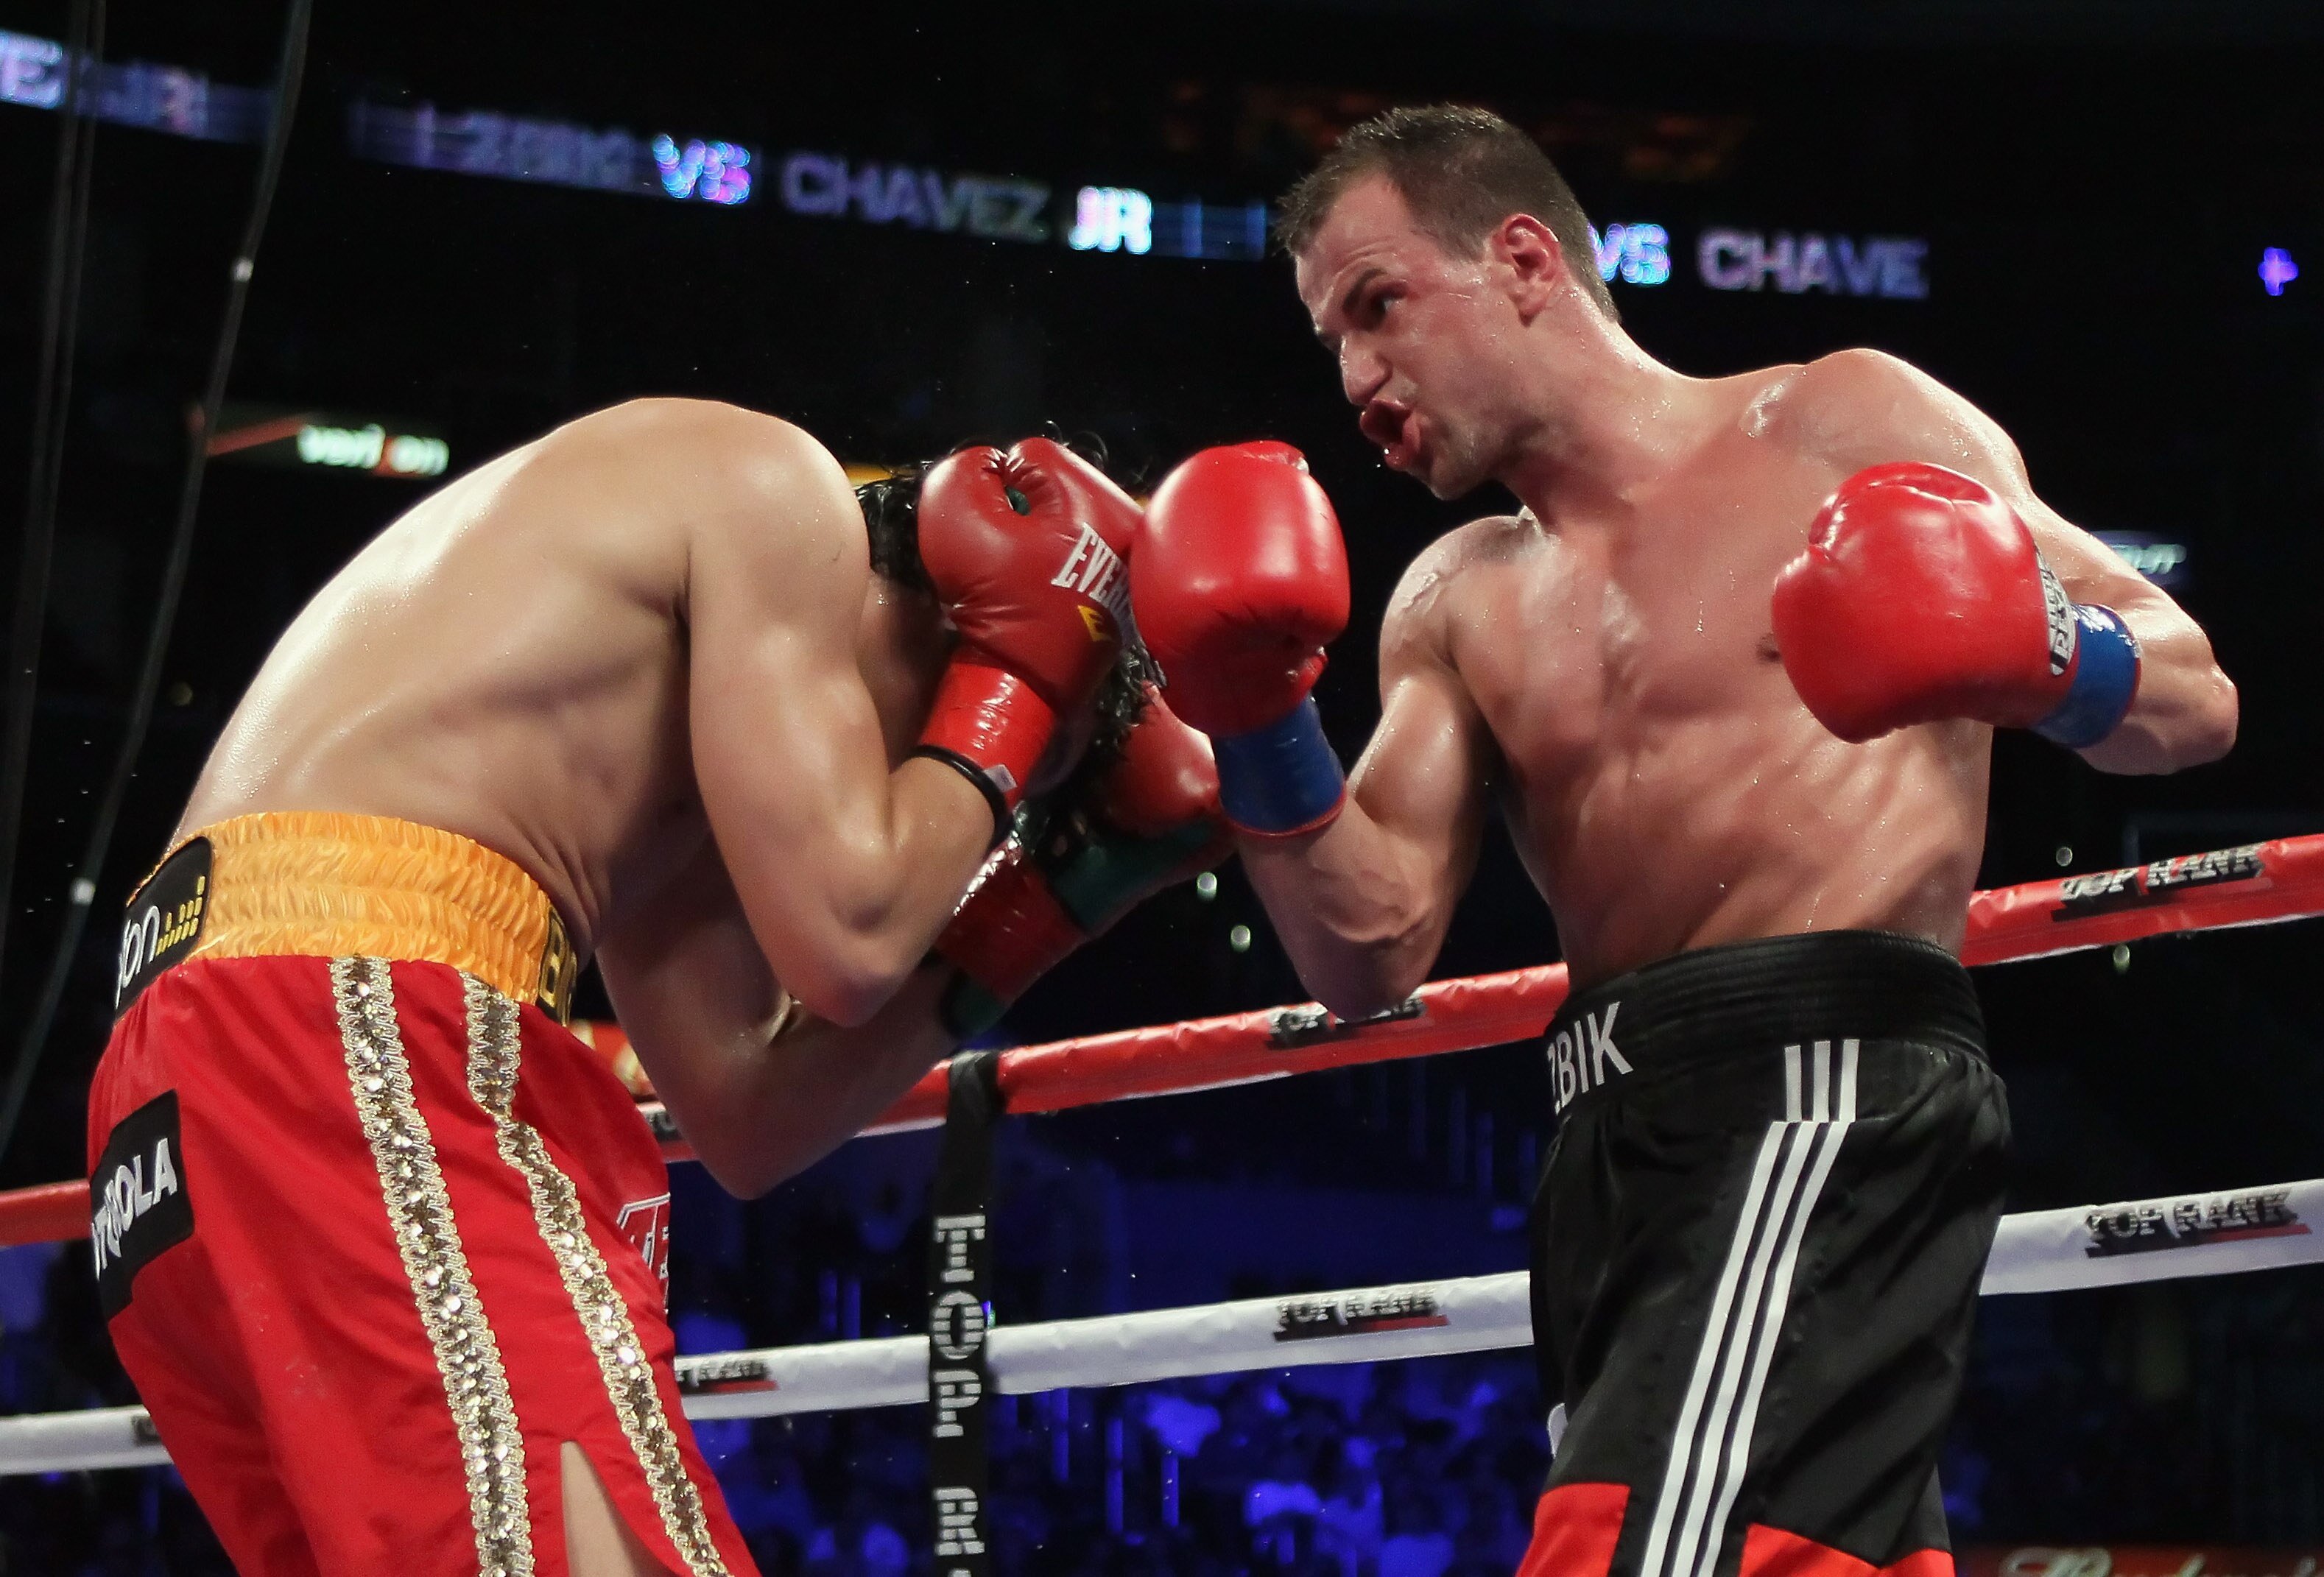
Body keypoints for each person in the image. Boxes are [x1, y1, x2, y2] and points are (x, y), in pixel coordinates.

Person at [1127, 107, 2237, 1577]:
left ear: (1525, 259)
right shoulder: (1451, 598)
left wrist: (2034, 653)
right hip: (1603, 1141)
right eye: (1331, 337)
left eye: (1379, 307)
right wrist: (1256, 716)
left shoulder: (1845, 420)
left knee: (1639, 1548)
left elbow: (2194, 691)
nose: (1356, 379)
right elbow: (1364, 945)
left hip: (1828, 1079)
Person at [84, 398, 1224, 1577]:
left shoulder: (657, 744)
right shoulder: (778, 492)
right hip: (338, 1022)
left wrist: (1054, 897)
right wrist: (1025, 691)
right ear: (971, 621)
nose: (979, 816)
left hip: (180, 1098)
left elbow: (750, 1114)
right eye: (1018, 771)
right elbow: (854, 934)